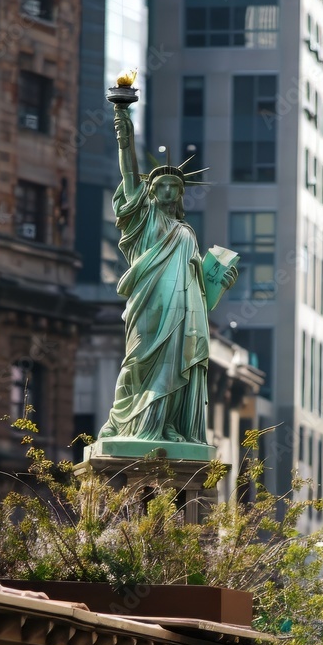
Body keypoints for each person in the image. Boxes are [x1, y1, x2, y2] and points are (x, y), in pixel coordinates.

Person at [99, 105, 237, 445]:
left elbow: (197, 283)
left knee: (177, 362)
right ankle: (130, 422)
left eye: (175, 187)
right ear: (150, 191)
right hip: (149, 301)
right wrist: (124, 132)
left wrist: (219, 282)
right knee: (139, 360)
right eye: (161, 185)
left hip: (184, 307)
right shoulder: (142, 220)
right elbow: (130, 175)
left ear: (180, 194)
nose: (168, 191)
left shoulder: (185, 230)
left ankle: (167, 424)